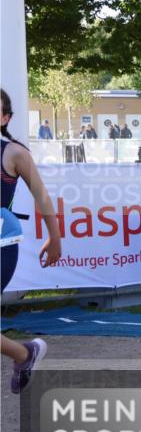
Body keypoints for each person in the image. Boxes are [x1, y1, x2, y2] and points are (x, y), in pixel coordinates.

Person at [1, 89, 62, 394]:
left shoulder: (14, 153)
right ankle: (25, 354)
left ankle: (25, 354)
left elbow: (42, 195)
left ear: (4, 118)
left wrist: (54, 237)